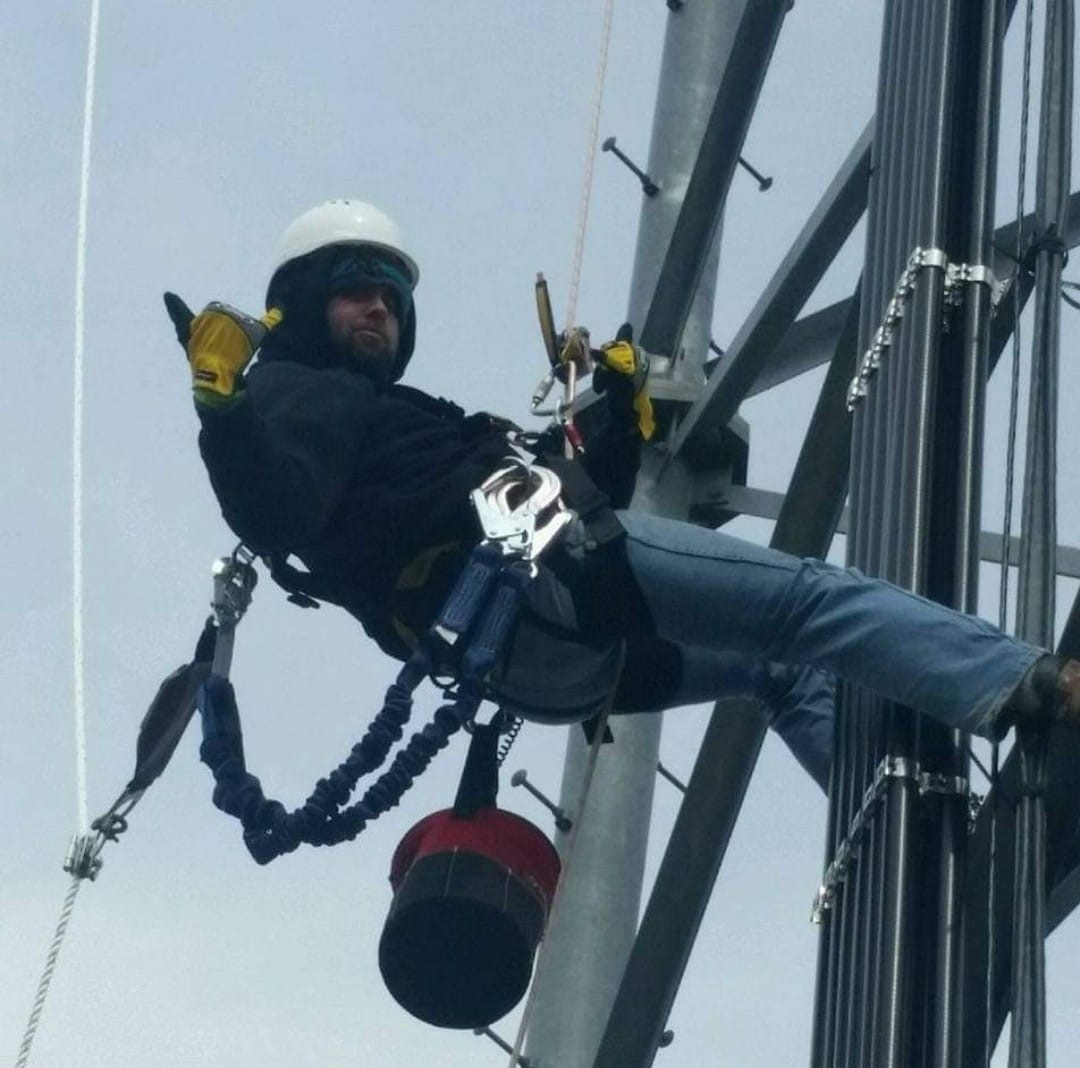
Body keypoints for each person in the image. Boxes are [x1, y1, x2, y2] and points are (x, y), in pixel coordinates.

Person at [167, 199, 1079, 794]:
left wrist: (617, 428)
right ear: (303, 303)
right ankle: (1021, 682)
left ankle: (903, 824)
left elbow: (584, 511)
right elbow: (279, 512)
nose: (379, 311)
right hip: (535, 592)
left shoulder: (378, 421)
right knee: (807, 602)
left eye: (390, 300)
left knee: (779, 668)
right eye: (355, 294)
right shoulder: (296, 393)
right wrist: (224, 414)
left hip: (548, 652)